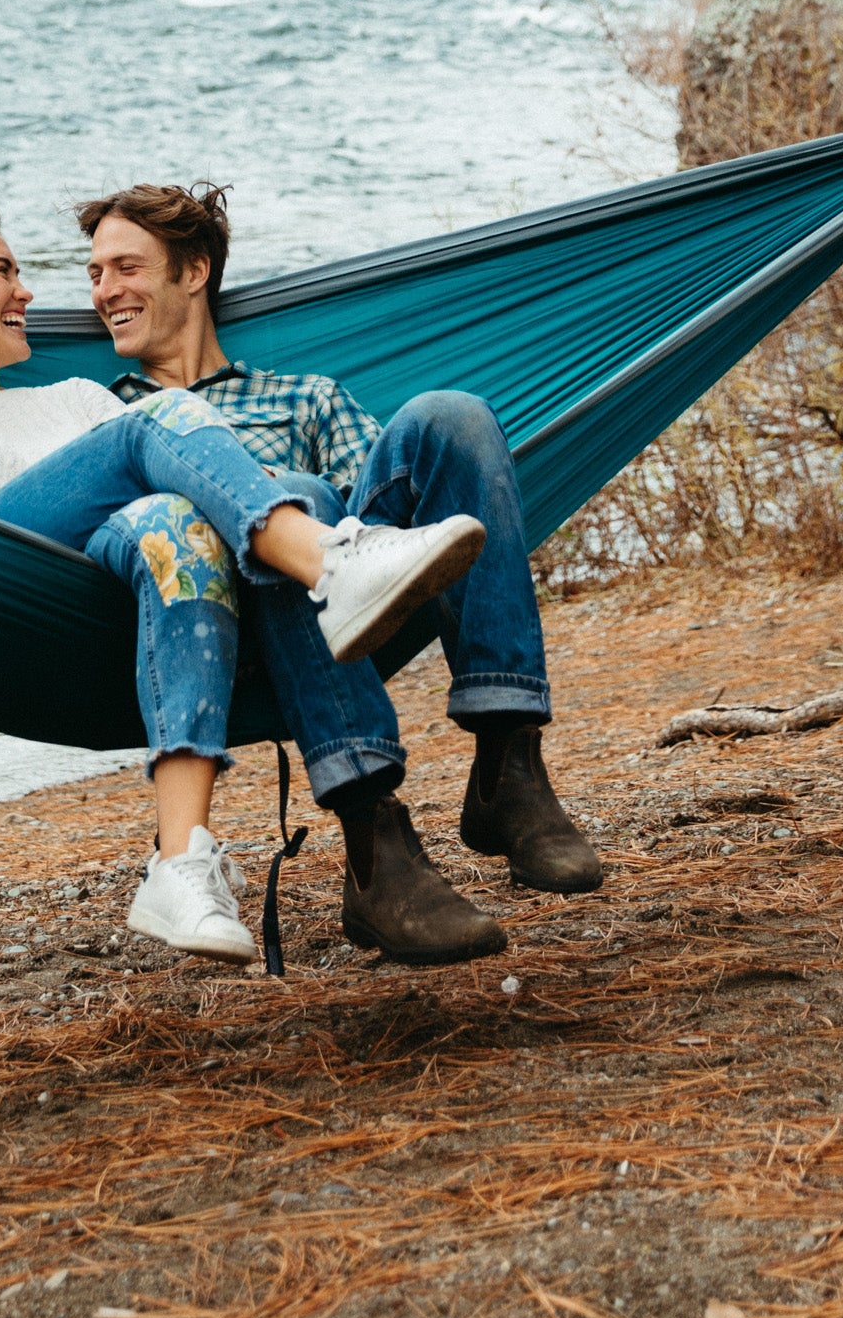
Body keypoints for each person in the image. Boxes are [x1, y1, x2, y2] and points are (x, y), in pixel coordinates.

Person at [0, 200, 491, 964]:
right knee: (160, 414)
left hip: (100, 593)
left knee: (179, 524)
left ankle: (180, 863)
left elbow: (188, 484)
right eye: (4, 272)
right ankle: (331, 564)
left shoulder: (71, 398)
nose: (27, 292)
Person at [81, 182, 606, 939]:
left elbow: (384, 516)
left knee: (455, 418)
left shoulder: (303, 397)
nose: (105, 291)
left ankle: (509, 766)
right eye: (94, 274)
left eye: (124, 266)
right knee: (291, 491)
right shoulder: (111, 421)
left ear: (193, 271)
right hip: (218, 621)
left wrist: (324, 518)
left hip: (352, 607)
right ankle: (374, 843)